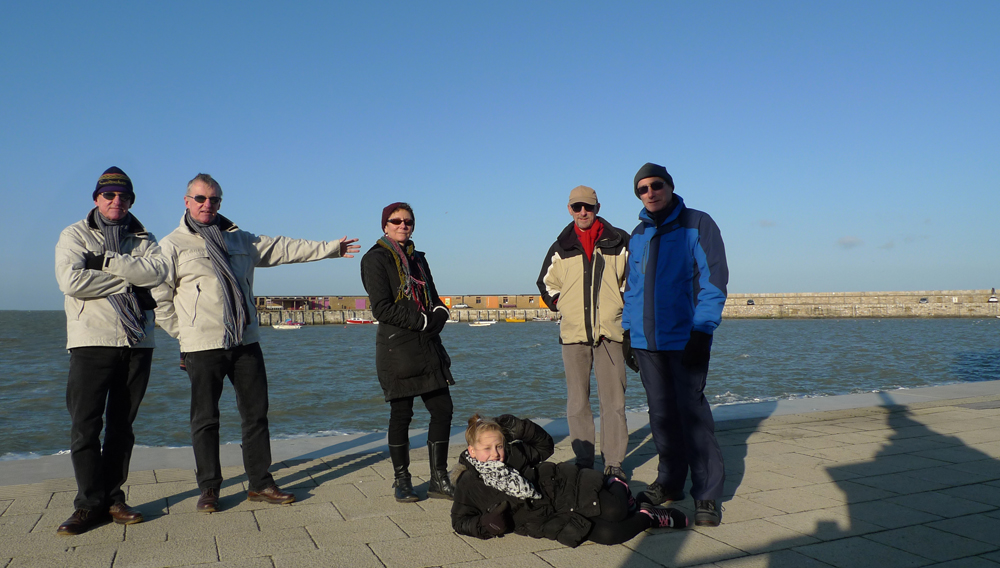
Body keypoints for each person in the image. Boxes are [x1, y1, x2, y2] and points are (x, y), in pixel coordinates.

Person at [153, 173, 361, 513]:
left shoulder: (241, 240)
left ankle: (261, 483)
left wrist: (331, 249)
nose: (208, 205)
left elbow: (283, 247)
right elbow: (160, 297)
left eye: (215, 200)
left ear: (221, 203)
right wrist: (184, 332)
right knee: (205, 418)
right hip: (201, 345)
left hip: (245, 340)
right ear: (187, 201)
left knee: (256, 414)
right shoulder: (172, 245)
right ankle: (209, 489)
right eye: (201, 199)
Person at [54, 167, 169, 535]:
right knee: (84, 427)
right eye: (109, 195)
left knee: (122, 426)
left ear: (132, 200)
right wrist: (129, 281)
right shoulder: (74, 234)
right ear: (96, 199)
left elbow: (157, 274)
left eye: (124, 196)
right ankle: (89, 505)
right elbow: (71, 281)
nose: (116, 201)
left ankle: (115, 499)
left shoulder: (144, 237)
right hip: (91, 340)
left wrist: (103, 265)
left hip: (137, 343)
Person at [622, 162, 729, 527]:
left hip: (686, 338)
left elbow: (713, 280)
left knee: (693, 415)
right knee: (661, 416)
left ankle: (707, 494)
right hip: (646, 342)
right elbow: (633, 289)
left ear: (669, 186)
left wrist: (703, 330)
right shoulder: (638, 235)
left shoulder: (698, 224)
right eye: (642, 189)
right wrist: (627, 333)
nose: (650, 193)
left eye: (656, 185)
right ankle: (670, 482)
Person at [451, 414, 687, 547]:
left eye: (499, 446)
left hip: (563, 490)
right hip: (548, 519)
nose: (495, 453)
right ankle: (648, 516)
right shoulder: (469, 483)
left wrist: (520, 427)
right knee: (610, 536)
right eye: (487, 448)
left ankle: (615, 483)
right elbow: (460, 521)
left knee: (616, 510)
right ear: (471, 451)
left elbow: (544, 445)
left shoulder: (513, 455)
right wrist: (487, 524)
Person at [360, 202, 455, 502]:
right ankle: (402, 480)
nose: (403, 225)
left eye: (408, 221)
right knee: (401, 414)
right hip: (396, 347)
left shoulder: (419, 260)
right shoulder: (374, 259)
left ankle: (439, 478)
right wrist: (424, 320)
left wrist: (440, 313)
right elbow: (382, 308)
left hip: (427, 347)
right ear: (385, 225)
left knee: (443, 409)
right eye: (396, 221)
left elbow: (434, 297)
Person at [536, 185, 631, 480]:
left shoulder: (619, 241)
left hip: (611, 335)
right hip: (573, 335)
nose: (582, 212)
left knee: (614, 402)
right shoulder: (560, 246)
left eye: (587, 207)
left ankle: (614, 462)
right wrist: (562, 305)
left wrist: (620, 309)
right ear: (569, 209)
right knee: (577, 402)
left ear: (597, 207)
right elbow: (545, 283)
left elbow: (634, 281)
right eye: (576, 207)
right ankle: (584, 460)